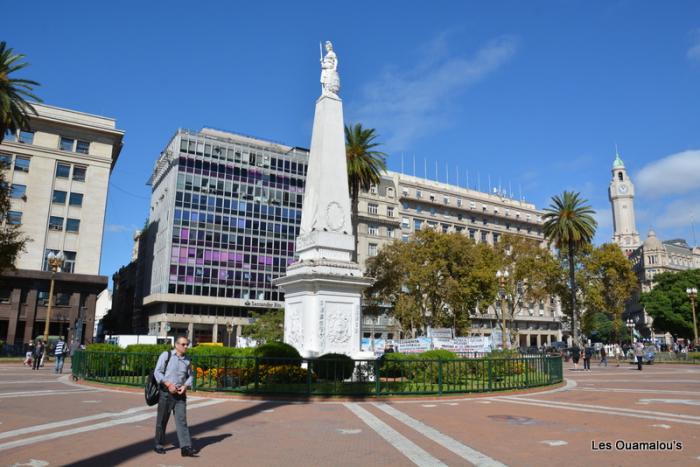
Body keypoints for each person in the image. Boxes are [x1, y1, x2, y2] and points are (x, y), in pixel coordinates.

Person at [153, 335, 198, 457]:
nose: (186, 347)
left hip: (180, 395)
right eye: (183, 344)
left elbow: (191, 376)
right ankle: (159, 444)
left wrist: (185, 386)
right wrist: (168, 384)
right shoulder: (166, 355)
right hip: (166, 393)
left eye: (187, 344)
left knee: (182, 421)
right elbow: (157, 371)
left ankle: (185, 447)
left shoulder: (187, 360)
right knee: (162, 419)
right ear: (176, 345)